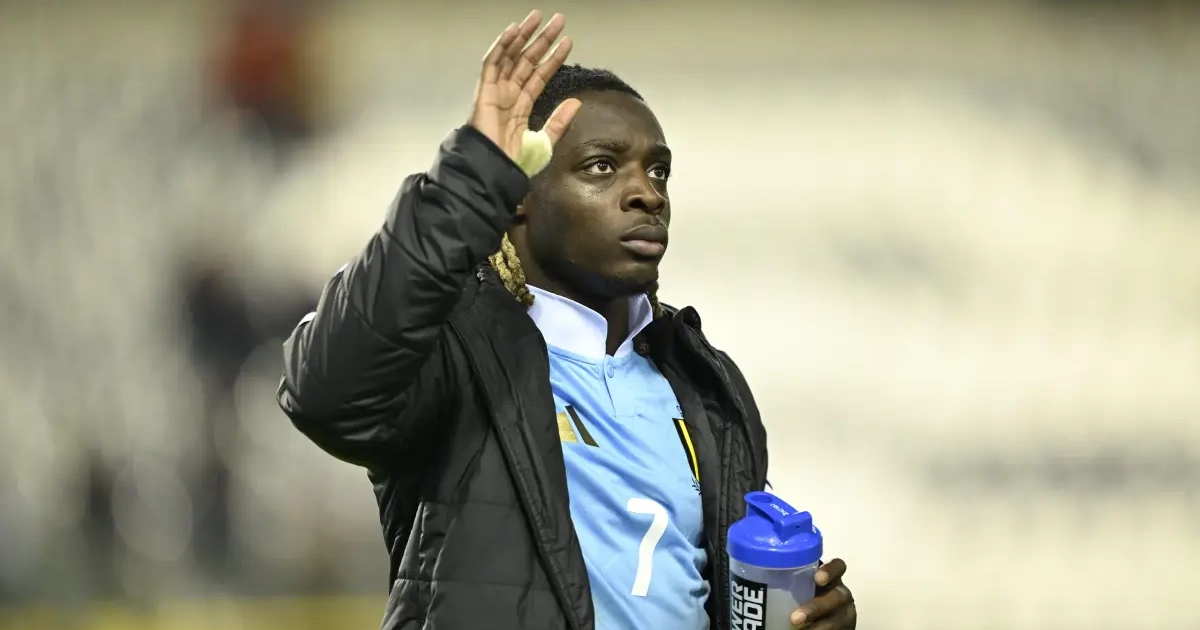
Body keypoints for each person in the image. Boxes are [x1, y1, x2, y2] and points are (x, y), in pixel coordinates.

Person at [277, 11, 857, 630]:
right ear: (519, 195)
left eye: (658, 170)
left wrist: (807, 617)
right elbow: (325, 392)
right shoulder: (455, 350)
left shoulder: (706, 385)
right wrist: (469, 178)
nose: (648, 193)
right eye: (602, 166)